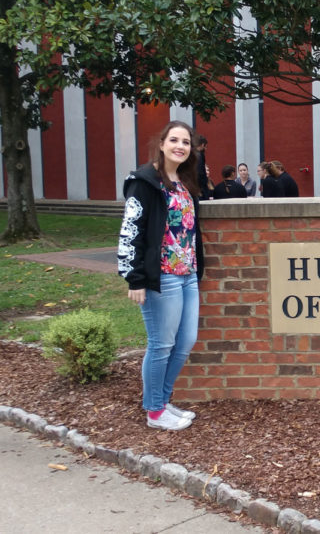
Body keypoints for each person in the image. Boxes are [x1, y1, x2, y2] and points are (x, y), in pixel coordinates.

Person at [117, 120, 204, 431]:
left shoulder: (183, 182)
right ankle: (154, 411)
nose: (180, 146)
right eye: (175, 140)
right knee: (161, 344)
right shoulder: (144, 181)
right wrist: (135, 278)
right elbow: (131, 231)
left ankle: (163, 401)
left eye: (186, 142)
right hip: (161, 277)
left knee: (185, 342)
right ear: (162, 143)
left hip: (188, 274)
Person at [195, 135, 212, 201]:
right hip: (200, 188)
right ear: (202, 145)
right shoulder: (199, 155)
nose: (206, 149)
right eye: (206, 146)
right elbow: (200, 172)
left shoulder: (190, 154)